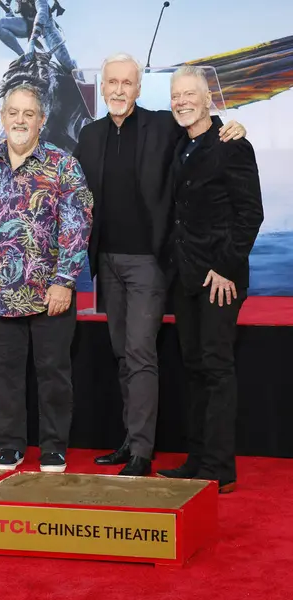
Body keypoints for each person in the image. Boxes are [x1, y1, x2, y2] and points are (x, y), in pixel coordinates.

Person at [74, 53, 246, 476]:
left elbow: (202, 130)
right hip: (107, 264)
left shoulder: (163, 125)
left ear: (138, 88)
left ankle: (142, 453)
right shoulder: (90, 136)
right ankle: (130, 440)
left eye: (126, 83)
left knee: (139, 351)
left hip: (150, 261)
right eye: (111, 82)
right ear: (103, 87)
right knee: (122, 353)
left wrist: (231, 126)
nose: (117, 90)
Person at [0, 83, 93, 473]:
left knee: (53, 372)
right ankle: (10, 446)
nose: (20, 120)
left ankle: (53, 447)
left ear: (42, 121)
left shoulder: (63, 164)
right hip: (0, 292)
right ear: (3, 118)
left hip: (50, 292)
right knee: (4, 373)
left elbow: (77, 224)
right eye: (13, 113)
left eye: (29, 114)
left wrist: (65, 280)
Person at [156, 66, 263, 492]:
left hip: (221, 278)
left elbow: (249, 214)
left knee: (217, 370)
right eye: (176, 95)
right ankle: (197, 459)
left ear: (208, 99)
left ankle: (219, 469)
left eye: (189, 94)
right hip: (186, 278)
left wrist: (226, 268)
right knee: (195, 368)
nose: (182, 101)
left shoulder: (232, 144)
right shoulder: (179, 142)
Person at [0, 0, 77, 73]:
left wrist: (32, 41)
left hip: (47, 26)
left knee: (67, 65)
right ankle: (25, 59)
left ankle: (76, 72)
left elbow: (42, 12)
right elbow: (11, 18)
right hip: (28, 24)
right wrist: (8, 12)